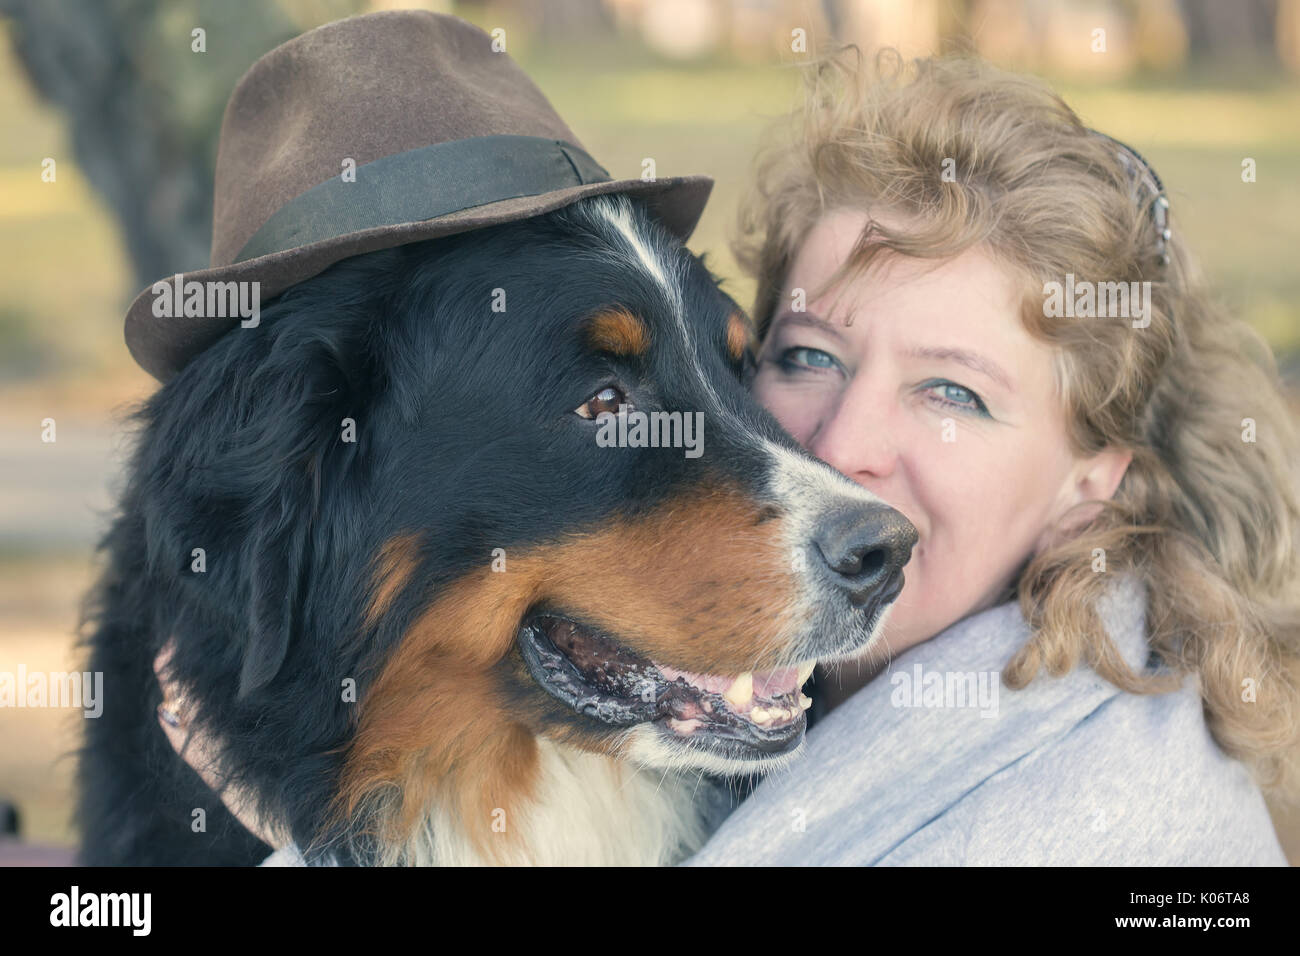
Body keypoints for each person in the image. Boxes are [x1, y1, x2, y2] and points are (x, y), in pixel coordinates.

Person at [157, 47, 1299, 866]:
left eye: (953, 390)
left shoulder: (1095, 821)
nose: (843, 455)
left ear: (1088, 483)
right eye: (806, 355)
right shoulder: (815, 704)